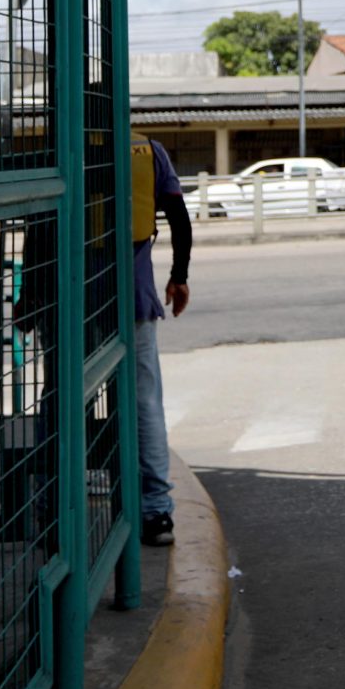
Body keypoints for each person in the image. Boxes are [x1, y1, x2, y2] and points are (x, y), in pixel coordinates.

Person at [134, 137, 194, 546]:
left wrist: (31, 289)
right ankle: (155, 513)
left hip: (71, 298)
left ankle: (54, 508)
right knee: (145, 402)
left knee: (62, 397)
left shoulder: (65, 144)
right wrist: (179, 275)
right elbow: (178, 215)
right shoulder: (149, 151)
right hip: (132, 297)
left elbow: (42, 223)